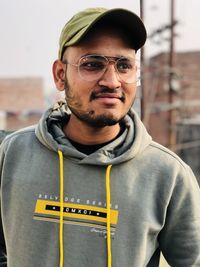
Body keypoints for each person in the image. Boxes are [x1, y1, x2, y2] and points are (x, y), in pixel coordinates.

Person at [0, 7, 200, 267]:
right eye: (93, 64)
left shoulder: (168, 174)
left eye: (124, 65)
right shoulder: (12, 155)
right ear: (61, 75)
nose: (112, 81)